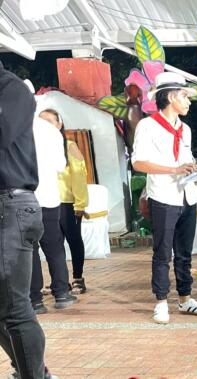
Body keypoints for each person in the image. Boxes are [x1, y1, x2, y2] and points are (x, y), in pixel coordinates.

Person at [132, 72, 197, 324]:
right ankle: (161, 302)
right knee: (162, 252)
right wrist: (174, 170)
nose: (188, 101)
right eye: (184, 96)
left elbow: (182, 160)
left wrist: (192, 167)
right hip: (164, 196)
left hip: (187, 195)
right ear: (169, 97)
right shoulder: (148, 126)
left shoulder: (185, 129)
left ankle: (186, 299)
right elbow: (138, 162)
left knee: (185, 252)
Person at [0, 61, 53, 379]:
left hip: (12, 206)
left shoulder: (12, 89)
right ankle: (32, 371)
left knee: (15, 307)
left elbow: (3, 133)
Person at [39, 109, 89, 295]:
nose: (45, 126)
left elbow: (78, 177)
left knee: (74, 240)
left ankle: (78, 278)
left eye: (49, 121)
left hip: (68, 203)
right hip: (47, 201)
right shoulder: (39, 148)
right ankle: (59, 281)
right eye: (41, 122)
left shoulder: (69, 146)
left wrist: (80, 204)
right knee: (54, 244)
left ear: (59, 123)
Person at [30, 116, 76, 313]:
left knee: (28, 250)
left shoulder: (11, 123)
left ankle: (35, 300)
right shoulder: (50, 130)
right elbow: (60, 165)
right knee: (54, 247)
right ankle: (62, 293)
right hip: (48, 196)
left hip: (23, 197)